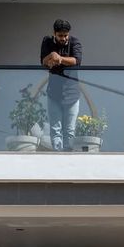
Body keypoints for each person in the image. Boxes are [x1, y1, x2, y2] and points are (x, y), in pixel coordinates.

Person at [41, 19, 83, 151]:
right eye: (60, 36)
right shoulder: (47, 41)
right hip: (54, 94)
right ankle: (57, 158)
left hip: (72, 95)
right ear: (54, 33)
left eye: (66, 35)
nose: (64, 38)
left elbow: (76, 60)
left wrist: (59, 58)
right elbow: (43, 61)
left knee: (69, 131)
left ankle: (68, 159)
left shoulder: (75, 42)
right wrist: (52, 54)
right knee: (55, 130)